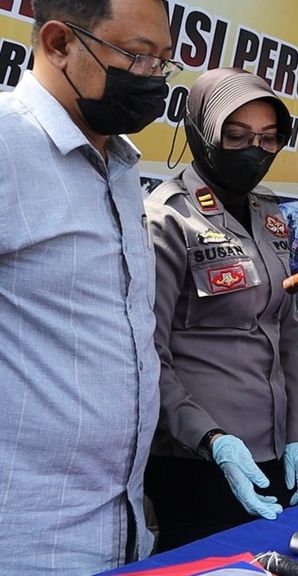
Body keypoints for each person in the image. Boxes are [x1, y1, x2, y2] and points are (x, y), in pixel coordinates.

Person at [0, 1, 176, 572]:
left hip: (120, 529)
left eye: (163, 63)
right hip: (27, 543)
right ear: (57, 44)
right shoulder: (6, 145)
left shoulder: (122, 167)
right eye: (137, 56)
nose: (152, 79)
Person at [144, 68, 298, 551]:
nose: (254, 151)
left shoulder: (269, 211)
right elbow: (146, 354)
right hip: (198, 459)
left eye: (267, 138)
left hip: (277, 448)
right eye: (236, 136)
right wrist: (210, 438)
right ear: (201, 131)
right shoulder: (168, 217)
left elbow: (286, 330)